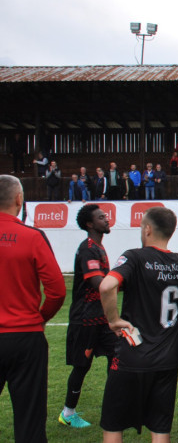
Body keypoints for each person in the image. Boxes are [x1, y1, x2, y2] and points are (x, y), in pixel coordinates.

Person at [99, 207, 178, 442]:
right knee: (160, 428)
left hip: (132, 356)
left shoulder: (134, 257)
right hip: (167, 360)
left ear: (147, 229)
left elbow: (106, 286)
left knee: (113, 424)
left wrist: (113, 320)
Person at [0, 174, 66, 443]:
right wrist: (40, 317)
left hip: (22, 331)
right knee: (29, 419)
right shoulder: (32, 236)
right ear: (19, 199)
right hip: (25, 336)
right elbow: (57, 290)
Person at [59, 204, 117, 429]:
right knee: (82, 367)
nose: (107, 219)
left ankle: (114, 407)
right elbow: (97, 282)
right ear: (90, 224)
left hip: (101, 318)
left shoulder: (98, 247)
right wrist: (124, 281)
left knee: (116, 357)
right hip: (85, 319)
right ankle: (68, 413)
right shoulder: (88, 249)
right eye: (101, 217)